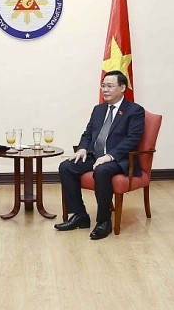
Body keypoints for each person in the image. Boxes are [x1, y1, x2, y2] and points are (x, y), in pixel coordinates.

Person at [56, 70, 145, 240]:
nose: (105, 89)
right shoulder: (98, 109)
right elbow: (88, 133)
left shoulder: (134, 111)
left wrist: (110, 155)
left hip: (118, 159)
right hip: (94, 156)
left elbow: (132, 139)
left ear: (122, 87)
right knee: (66, 167)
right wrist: (82, 148)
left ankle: (104, 221)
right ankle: (80, 215)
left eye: (110, 86)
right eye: (103, 86)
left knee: (102, 171)